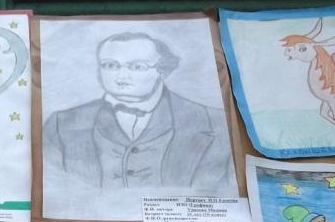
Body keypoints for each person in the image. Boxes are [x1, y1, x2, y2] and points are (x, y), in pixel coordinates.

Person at [43, 32, 235, 191]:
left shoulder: (214, 122)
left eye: (137, 67)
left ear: (162, 70)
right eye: (111, 65)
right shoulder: (61, 124)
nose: (121, 76)